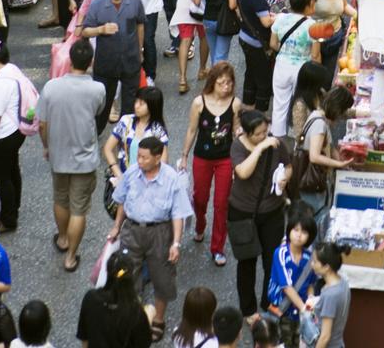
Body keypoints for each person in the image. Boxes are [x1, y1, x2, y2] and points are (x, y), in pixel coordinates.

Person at [109, 136, 194, 343]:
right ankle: (134, 317)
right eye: (138, 156)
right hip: (133, 230)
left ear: (158, 158)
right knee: (127, 275)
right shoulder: (131, 173)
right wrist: (116, 227)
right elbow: (121, 201)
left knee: (162, 276)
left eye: (144, 158)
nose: (140, 161)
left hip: (160, 233)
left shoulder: (171, 178)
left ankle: (158, 319)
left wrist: (176, 243)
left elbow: (178, 213)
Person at [37, 38, 104, 272]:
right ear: (90, 62)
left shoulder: (51, 87)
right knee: (79, 208)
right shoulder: (97, 88)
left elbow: (42, 124)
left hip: (58, 155)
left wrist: (47, 146)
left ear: (70, 59)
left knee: (60, 199)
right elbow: (98, 111)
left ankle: (63, 238)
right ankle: (71, 257)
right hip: (84, 158)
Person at [227, 112, 291, 327]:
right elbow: (243, 172)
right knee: (247, 261)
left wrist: (284, 179)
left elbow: (288, 166)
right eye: (258, 134)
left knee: (272, 259)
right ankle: (248, 309)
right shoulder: (238, 146)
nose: (264, 136)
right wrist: (260, 148)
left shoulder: (277, 144)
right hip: (242, 211)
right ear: (246, 133)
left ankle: (269, 300)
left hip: (272, 210)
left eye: (266, 131)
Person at [178, 63, 242, 269]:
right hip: (202, 157)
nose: (225, 87)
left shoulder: (235, 104)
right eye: (221, 83)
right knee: (200, 197)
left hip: (225, 159)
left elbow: (236, 131)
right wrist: (184, 156)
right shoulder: (199, 103)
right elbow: (191, 130)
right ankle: (200, 224)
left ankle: (217, 247)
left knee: (222, 203)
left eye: (229, 83)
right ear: (212, 83)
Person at [80, 0, 145, 134]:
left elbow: (140, 24)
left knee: (130, 104)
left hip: (130, 60)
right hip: (106, 62)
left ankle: (126, 137)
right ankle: (94, 135)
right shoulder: (98, 3)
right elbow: (85, 31)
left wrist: (140, 50)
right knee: (102, 103)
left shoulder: (135, 0)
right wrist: (101, 29)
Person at [291, 84, 354, 223]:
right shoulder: (320, 124)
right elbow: (314, 156)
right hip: (313, 184)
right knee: (315, 220)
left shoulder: (317, 115)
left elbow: (327, 146)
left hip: (310, 182)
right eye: (343, 111)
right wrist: (338, 163)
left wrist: (340, 157)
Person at [270, 0, 320, 137]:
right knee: (300, 106)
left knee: (279, 105)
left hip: (282, 66)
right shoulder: (313, 26)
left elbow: (272, 44)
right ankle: (297, 140)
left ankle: (277, 141)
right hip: (302, 69)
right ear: (308, 4)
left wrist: (286, 51)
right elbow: (315, 55)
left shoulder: (281, 18)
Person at [75, 249, 152, 348]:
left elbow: (84, 338)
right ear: (131, 276)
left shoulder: (90, 298)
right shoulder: (135, 313)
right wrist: (149, 315)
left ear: (107, 271)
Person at [267, 211, 318, 346]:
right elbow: (286, 287)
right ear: (289, 230)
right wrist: (303, 308)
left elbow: (311, 283)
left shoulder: (309, 257)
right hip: (283, 311)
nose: (299, 235)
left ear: (310, 236)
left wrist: (311, 300)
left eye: (304, 232)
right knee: (284, 343)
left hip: (301, 313)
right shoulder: (280, 253)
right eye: (296, 230)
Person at [237, 0, 277, 114]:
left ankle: (248, 105)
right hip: (257, 42)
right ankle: (259, 114)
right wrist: (277, 18)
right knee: (263, 78)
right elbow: (266, 22)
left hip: (244, 36)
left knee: (250, 72)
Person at [103, 85, 169, 178]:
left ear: (152, 106)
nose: (136, 106)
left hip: (147, 182)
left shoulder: (158, 130)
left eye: (141, 103)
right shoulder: (126, 121)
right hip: (125, 177)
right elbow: (108, 148)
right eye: (136, 101)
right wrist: (117, 172)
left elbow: (163, 162)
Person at [308, 242, 351, 348]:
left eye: (315, 261)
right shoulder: (343, 283)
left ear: (326, 267)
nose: (311, 264)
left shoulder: (330, 296)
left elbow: (325, 337)